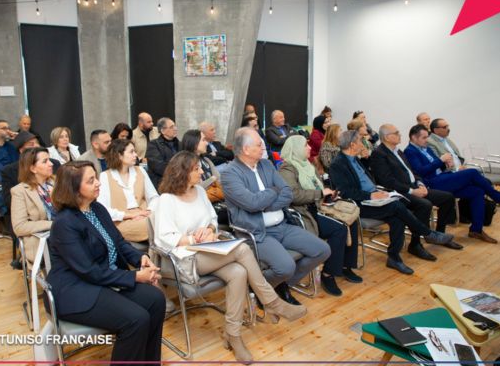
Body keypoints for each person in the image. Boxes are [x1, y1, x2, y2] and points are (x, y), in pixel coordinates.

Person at [154, 151, 306, 362]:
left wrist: (209, 230)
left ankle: (232, 335)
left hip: (208, 251)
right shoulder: (166, 200)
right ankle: (272, 302)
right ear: (183, 172)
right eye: (196, 169)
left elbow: (212, 219)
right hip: (184, 259)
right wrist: (193, 239)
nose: (201, 172)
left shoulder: (200, 192)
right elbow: (163, 239)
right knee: (242, 250)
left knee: (238, 272)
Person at [47, 161, 165, 364]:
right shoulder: (64, 223)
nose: (98, 183)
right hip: (76, 290)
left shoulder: (97, 208)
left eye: (96, 178)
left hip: (104, 280)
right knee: (136, 319)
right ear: (74, 188)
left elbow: (118, 241)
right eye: (90, 180)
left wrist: (140, 259)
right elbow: (89, 271)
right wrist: (136, 276)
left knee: (156, 300)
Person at [221, 127, 331, 305]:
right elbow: (252, 203)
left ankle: (278, 285)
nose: (263, 147)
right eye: (259, 144)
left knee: (322, 250)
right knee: (286, 266)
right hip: (257, 233)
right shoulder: (230, 174)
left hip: (282, 225)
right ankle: (260, 289)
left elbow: (287, 193)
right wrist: (273, 191)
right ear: (246, 149)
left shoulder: (266, 164)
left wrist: (264, 204)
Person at [328, 130, 455, 275]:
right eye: (360, 141)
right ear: (352, 145)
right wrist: (371, 195)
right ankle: (427, 233)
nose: (363, 144)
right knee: (396, 206)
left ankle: (394, 258)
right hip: (359, 204)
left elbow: (367, 180)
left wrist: (379, 191)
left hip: (375, 197)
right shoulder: (338, 164)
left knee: (397, 218)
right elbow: (345, 192)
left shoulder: (355, 159)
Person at [404, 124, 500, 244]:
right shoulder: (410, 151)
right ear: (414, 138)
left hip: (443, 178)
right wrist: (441, 160)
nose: (427, 140)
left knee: (477, 191)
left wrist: (446, 164)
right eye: (424, 138)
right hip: (432, 183)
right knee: (472, 172)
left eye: (427, 137)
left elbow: (437, 165)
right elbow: (420, 171)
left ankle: (476, 230)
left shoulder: (426, 148)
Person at [279, 135, 361, 297]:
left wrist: (329, 196)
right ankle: (328, 274)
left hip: (318, 207)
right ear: (296, 149)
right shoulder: (287, 169)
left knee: (351, 220)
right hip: (303, 213)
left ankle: (346, 266)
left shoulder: (308, 166)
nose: (310, 148)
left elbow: (320, 188)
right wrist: (320, 194)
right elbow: (293, 195)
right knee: (339, 229)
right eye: (305, 145)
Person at [369, 124, 463, 258]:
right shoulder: (379, 154)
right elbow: (387, 181)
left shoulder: (398, 151)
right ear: (387, 137)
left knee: (447, 197)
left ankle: (439, 235)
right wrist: (412, 191)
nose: (400, 135)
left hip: (414, 187)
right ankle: (415, 244)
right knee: (424, 205)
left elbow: (412, 171)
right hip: (399, 192)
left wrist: (420, 184)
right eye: (396, 133)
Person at [97, 139, 157, 243]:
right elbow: (103, 209)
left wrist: (148, 211)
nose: (136, 155)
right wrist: (130, 215)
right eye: (131, 152)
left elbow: (154, 197)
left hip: (145, 216)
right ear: (119, 155)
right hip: (122, 222)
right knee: (158, 224)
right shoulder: (105, 176)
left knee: (164, 218)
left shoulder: (140, 170)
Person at [10, 147, 55, 262]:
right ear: (33, 168)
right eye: (45, 161)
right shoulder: (20, 191)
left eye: (49, 160)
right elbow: (19, 227)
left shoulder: (56, 183)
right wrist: (53, 224)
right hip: (42, 241)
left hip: (65, 233)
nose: (51, 164)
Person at [146, 117, 179, 189]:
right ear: (163, 131)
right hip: (162, 183)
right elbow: (159, 167)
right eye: (171, 127)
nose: (175, 129)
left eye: (175, 126)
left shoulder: (179, 144)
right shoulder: (153, 145)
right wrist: (179, 172)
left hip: (180, 181)